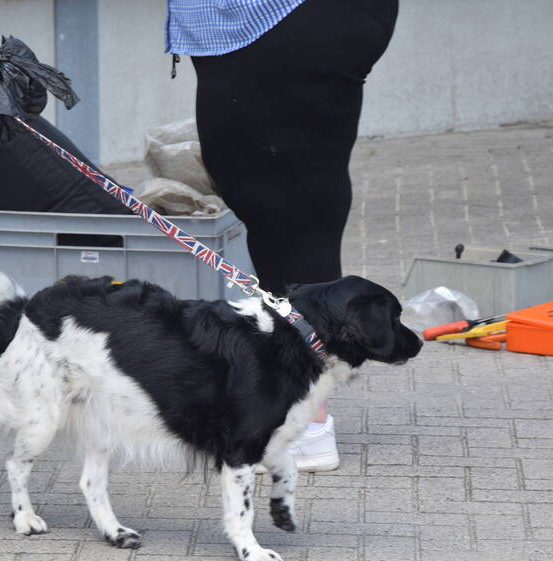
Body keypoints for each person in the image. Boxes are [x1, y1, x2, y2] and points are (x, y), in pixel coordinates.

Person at [167, 0, 399, 472]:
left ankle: (303, 421)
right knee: (289, 196)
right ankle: (297, 406)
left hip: (273, 18)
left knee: (287, 206)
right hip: (284, 21)